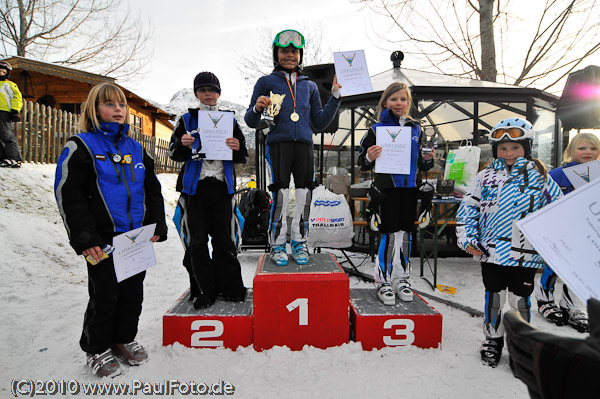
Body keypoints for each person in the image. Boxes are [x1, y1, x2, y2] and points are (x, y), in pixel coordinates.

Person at [54, 83, 168, 378]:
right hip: (102, 240)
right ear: (94, 110)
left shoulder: (137, 148)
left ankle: (122, 338)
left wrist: (156, 224)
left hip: (135, 238)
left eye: (121, 105)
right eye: (109, 104)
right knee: (105, 294)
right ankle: (96, 347)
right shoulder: (81, 146)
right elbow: (70, 195)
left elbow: (152, 190)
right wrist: (84, 237)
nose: (118, 109)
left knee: (133, 293)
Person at [455, 117, 563, 368]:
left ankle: (521, 345)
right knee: (494, 297)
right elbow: (469, 208)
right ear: (495, 150)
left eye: (515, 147)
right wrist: (468, 238)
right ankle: (492, 339)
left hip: (524, 253)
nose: (509, 153)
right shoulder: (485, 176)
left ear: (527, 146)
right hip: (490, 251)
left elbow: (558, 209)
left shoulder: (541, 176)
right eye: (502, 148)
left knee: (519, 300)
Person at [244, 29, 341, 266]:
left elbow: (319, 122)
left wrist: (336, 96)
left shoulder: (309, 86)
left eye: (294, 52)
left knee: (304, 195)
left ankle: (299, 240)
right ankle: (277, 243)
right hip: (278, 145)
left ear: (301, 55)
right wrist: (257, 108)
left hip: (305, 146)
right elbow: (251, 121)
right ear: (276, 54)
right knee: (280, 195)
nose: (290, 55)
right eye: (284, 51)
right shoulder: (265, 82)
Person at [169, 71, 248, 309]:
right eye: (203, 90)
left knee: (225, 240)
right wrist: (183, 145)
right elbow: (174, 153)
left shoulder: (230, 120)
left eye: (212, 90)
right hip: (196, 188)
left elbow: (242, 153)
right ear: (196, 94)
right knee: (198, 242)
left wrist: (236, 147)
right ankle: (203, 290)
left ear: (218, 94)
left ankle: (230, 288)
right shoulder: (186, 119)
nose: (208, 94)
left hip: (222, 187)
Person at [357, 82, 434, 305]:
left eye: (403, 99)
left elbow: (422, 164)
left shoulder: (416, 129)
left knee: (406, 234)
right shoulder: (375, 130)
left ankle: (402, 278)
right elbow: (362, 162)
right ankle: (383, 279)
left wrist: (427, 159)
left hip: (410, 189)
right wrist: (370, 156)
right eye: (393, 99)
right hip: (386, 190)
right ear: (385, 102)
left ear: (408, 102)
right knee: (389, 234)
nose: (398, 103)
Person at [534, 133, 599, 333]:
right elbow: (539, 200)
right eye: (582, 148)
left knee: (580, 270)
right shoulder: (556, 175)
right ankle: (544, 298)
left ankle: (573, 306)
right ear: (570, 151)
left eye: (593, 148)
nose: (587, 152)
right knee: (554, 265)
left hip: (588, 232)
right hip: (559, 231)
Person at [0, 60, 24, 168]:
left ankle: (14, 158)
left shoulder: (9, 84)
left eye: (3, 72)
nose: (0, 73)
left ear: (7, 73)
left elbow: (17, 98)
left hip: (4, 111)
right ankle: (2, 157)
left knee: (6, 134)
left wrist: (15, 110)